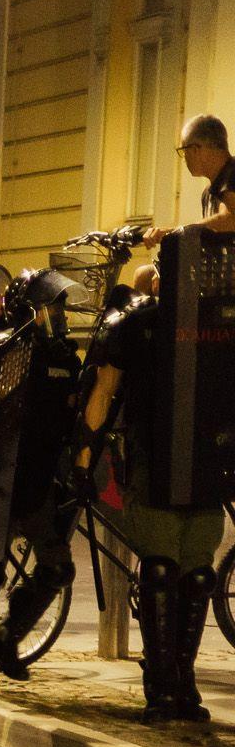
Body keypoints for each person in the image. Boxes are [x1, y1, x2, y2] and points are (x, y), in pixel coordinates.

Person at [73, 259, 218, 722]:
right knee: (159, 570)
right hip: (151, 458)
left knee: (197, 576)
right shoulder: (135, 326)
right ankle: (160, 686)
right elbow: (104, 390)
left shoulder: (218, 321)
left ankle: (184, 678)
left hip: (205, 463)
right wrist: (84, 457)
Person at [0, 268, 84, 681]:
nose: (59, 316)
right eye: (50, 309)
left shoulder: (65, 359)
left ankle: (6, 638)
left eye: (59, 309)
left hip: (38, 484)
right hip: (0, 482)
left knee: (57, 567)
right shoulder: (6, 354)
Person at [144, 113, 235, 245]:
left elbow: (228, 218)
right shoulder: (208, 193)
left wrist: (175, 232)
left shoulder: (232, 174)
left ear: (194, 150)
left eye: (184, 151)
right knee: (149, 267)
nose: (184, 158)